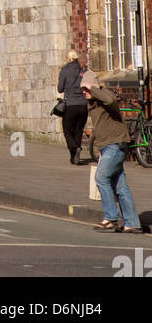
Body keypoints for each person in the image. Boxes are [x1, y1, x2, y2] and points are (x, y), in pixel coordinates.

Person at [80, 70, 143, 233]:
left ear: (93, 86)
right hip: (109, 145)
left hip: (116, 143)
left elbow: (111, 99)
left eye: (86, 89)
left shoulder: (104, 95)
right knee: (120, 185)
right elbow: (102, 129)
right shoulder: (93, 102)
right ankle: (132, 223)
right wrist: (101, 150)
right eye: (83, 89)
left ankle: (111, 218)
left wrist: (93, 88)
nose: (84, 92)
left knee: (101, 177)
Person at [56, 48, 88, 164]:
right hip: (83, 105)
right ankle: (74, 157)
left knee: (67, 130)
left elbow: (60, 89)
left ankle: (75, 148)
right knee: (78, 130)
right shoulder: (83, 70)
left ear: (68, 59)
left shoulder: (64, 70)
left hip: (70, 104)